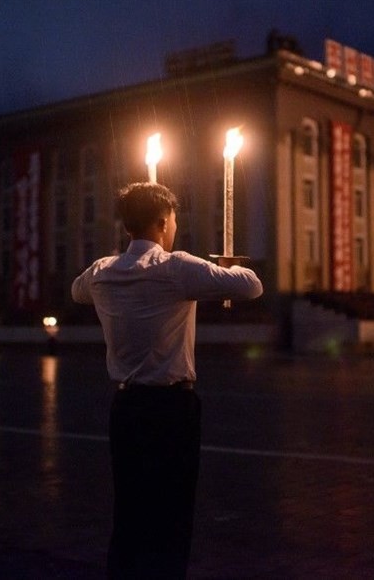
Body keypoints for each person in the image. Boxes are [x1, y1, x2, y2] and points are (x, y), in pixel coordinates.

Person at [71, 182, 263, 579]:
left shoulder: (101, 273)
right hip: (172, 410)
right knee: (172, 515)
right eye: (174, 220)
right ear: (162, 223)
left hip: (125, 408)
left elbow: (77, 293)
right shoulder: (177, 268)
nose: (175, 227)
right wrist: (226, 266)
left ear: (127, 226)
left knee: (129, 512)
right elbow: (252, 285)